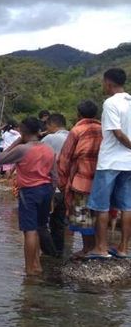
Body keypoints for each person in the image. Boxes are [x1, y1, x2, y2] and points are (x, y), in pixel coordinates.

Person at [0, 117, 56, 276]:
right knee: (39, 227)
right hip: (46, 189)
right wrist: (51, 196)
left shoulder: (23, 149)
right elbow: (54, 175)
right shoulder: (49, 149)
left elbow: (1, 159)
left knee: (29, 231)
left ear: (23, 131)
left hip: (29, 191)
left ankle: (30, 269)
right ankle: (36, 265)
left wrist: (17, 141)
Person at [86, 68, 131, 259]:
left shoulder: (111, 103)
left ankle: (101, 248)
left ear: (109, 83)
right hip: (128, 163)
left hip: (111, 161)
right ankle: (123, 249)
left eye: (104, 83)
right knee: (127, 206)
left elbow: (118, 133)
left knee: (101, 206)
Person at [57, 100, 102, 258]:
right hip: (101, 179)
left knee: (83, 216)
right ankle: (97, 247)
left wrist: (62, 183)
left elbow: (64, 158)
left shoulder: (77, 131)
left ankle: (87, 248)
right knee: (98, 214)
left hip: (81, 179)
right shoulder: (103, 129)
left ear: (78, 114)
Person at [41, 113, 69, 256]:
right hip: (70, 186)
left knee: (41, 223)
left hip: (53, 186)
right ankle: (59, 251)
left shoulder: (50, 138)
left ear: (52, 124)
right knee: (60, 223)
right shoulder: (73, 136)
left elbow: (38, 157)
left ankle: (48, 253)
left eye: (47, 125)